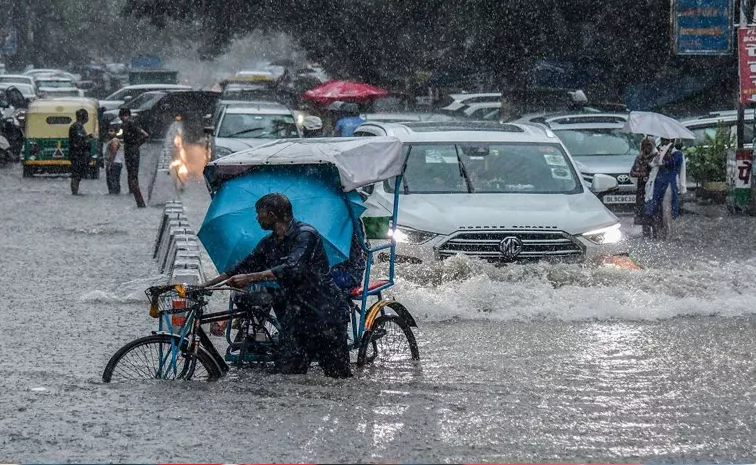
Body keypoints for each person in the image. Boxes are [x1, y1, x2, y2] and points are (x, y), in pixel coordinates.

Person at [200, 193, 352, 378]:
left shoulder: (306, 235)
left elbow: (292, 267)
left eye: (259, 213)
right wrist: (206, 286)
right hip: (296, 319)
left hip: (325, 315)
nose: (257, 218)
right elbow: (243, 266)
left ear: (272, 214)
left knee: (338, 379)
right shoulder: (269, 243)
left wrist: (250, 278)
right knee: (287, 377)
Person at [645, 138, 685, 240]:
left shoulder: (678, 154)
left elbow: (675, 165)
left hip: (668, 184)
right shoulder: (658, 151)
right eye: (663, 139)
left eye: (667, 140)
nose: (664, 141)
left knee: (667, 210)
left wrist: (682, 187)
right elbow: (651, 164)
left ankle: (668, 234)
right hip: (657, 184)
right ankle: (658, 233)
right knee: (656, 208)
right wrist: (655, 156)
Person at [119, 108, 148, 208]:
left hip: (132, 151)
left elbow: (145, 135)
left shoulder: (131, 123)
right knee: (132, 172)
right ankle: (133, 191)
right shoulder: (127, 124)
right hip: (130, 150)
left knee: (132, 173)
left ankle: (135, 192)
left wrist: (136, 145)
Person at [630, 137, 656, 237]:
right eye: (644, 145)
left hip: (652, 188)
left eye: (649, 145)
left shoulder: (656, 157)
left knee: (652, 210)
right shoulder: (639, 158)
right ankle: (646, 234)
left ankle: (656, 232)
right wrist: (643, 173)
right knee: (642, 210)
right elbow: (632, 172)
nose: (646, 148)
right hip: (642, 188)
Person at [68, 109, 91, 196]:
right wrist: (86, 138)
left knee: (77, 175)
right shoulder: (76, 126)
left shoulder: (79, 126)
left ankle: (75, 192)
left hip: (79, 154)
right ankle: (75, 192)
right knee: (76, 175)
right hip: (77, 155)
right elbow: (78, 139)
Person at [104, 124, 123, 194]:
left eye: (111, 131)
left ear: (116, 132)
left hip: (114, 164)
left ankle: (114, 195)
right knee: (113, 182)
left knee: (113, 182)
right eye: (108, 131)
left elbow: (114, 151)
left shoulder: (114, 140)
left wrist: (110, 163)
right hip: (115, 163)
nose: (109, 132)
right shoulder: (112, 140)